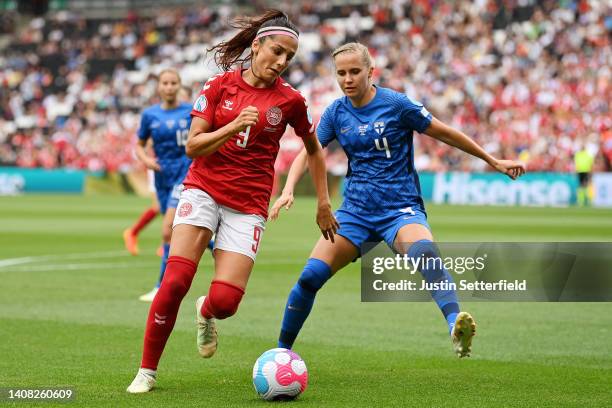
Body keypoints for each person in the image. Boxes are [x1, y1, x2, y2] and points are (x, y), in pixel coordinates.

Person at [270, 42, 526, 358]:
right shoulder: (336, 112)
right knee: (309, 278)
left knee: (426, 255)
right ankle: (281, 353)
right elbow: (311, 151)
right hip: (355, 212)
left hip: (399, 209)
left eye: (354, 72)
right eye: (341, 73)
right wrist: (288, 188)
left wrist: (492, 161)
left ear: (370, 71)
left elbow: (445, 133)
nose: (347, 79)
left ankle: (454, 326)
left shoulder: (397, 105)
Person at [127, 10, 337, 393]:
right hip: (203, 189)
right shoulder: (219, 85)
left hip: (249, 204)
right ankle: (146, 371)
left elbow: (315, 148)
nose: (281, 61)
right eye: (276, 51)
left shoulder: (290, 101)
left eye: (289, 57)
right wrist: (233, 125)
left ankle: (205, 312)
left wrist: (322, 202)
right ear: (256, 46)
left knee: (226, 302)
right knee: (174, 281)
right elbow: (193, 145)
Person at [132, 69, 193, 302]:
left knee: (167, 230)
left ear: (179, 86)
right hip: (161, 175)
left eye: (173, 83)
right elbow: (139, 144)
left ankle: (161, 287)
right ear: (158, 87)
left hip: (184, 171)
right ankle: (213, 244)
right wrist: (146, 160)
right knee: (176, 229)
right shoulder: (150, 115)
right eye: (165, 83)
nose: (169, 87)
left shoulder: (190, 111)